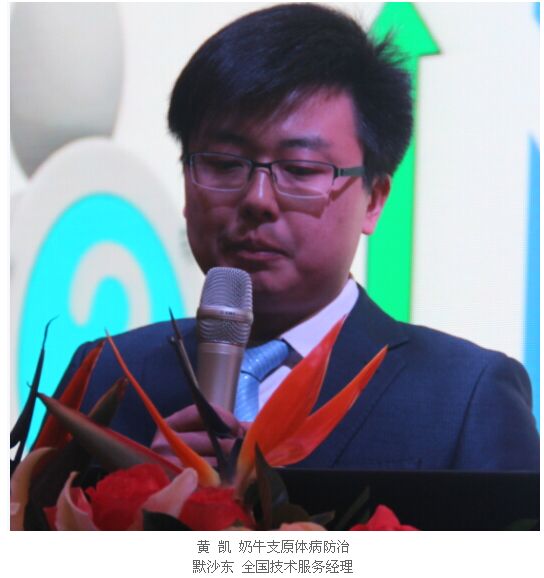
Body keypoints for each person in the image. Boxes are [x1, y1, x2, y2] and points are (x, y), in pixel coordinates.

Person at [51, 3, 539, 471]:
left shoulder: (464, 397)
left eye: (301, 169)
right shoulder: (105, 374)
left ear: (373, 199)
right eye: (223, 164)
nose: (258, 199)